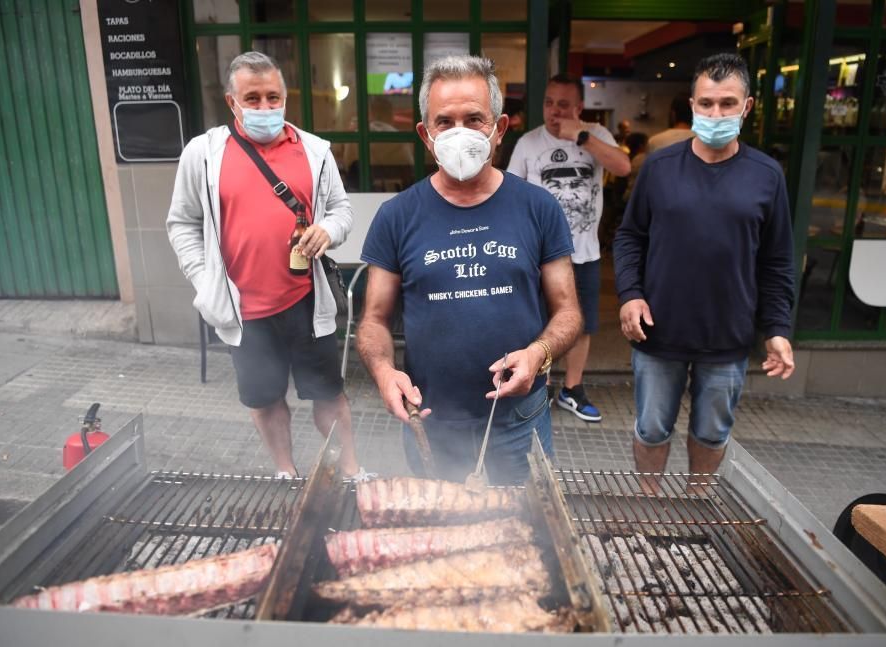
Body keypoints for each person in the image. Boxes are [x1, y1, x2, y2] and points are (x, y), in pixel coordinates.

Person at [357, 55, 582, 485]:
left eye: (474, 118)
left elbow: (568, 312)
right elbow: (373, 319)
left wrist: (538, 355)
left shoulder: (539, 208)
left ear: (499, 128)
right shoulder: (397, 216)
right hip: (432, 422)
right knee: (443, 541)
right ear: (426, 134)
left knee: (527, 535)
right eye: (445, 121)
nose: (459, 132)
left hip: (520, 421)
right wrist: (385, 373)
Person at [167, 51, 361, 479]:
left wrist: (328, 230)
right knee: (264, 400)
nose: (265, 108)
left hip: (307, 304)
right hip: (243, 311)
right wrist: (204, 280)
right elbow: (182, 222)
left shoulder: (314, 150)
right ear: (231, 101)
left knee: (330, 395)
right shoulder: (203, 154)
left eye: (273, 97)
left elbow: (342, 210)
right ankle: (285, 474)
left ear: (285, 97)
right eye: (252, 98)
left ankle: (350, 471)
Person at [613, 53, 796, 492]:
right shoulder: (659, 168)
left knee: (713, 432)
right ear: (693, 105)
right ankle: (649, 503)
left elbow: (777, 261)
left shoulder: (767, 176)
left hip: (727, 334)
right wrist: (630, 294)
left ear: (747, 107)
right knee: (652, 427)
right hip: (659, 330)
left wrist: (776, 328)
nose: (716, 114)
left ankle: (696, 502)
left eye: (727, 104)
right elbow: (629, 237)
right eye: (707, 103)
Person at [508, 75, 631, 423]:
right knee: (536, 322)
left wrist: (580, 136)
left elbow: (622, 167)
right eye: (549, 102)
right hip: (537, 255)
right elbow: (510, 195)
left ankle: (572, 389)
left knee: (582, 324)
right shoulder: (529, 143)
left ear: (579, 107)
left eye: (563, 104)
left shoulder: (596, 135)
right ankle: (535, 383)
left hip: (584, 251)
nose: (554, 110)